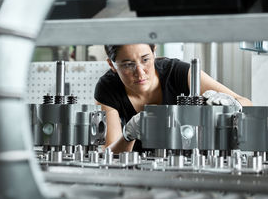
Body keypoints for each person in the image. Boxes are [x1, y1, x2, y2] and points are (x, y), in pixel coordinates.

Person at [94, 44, 252, 153]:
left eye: (145, 60)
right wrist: (128, 135)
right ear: (112, 65)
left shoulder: (178, 72)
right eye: (128, 64)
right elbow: (111, 155)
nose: (140, 72)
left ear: (154, 51)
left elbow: (247, 104)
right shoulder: (107, 88)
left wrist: (230, 104)